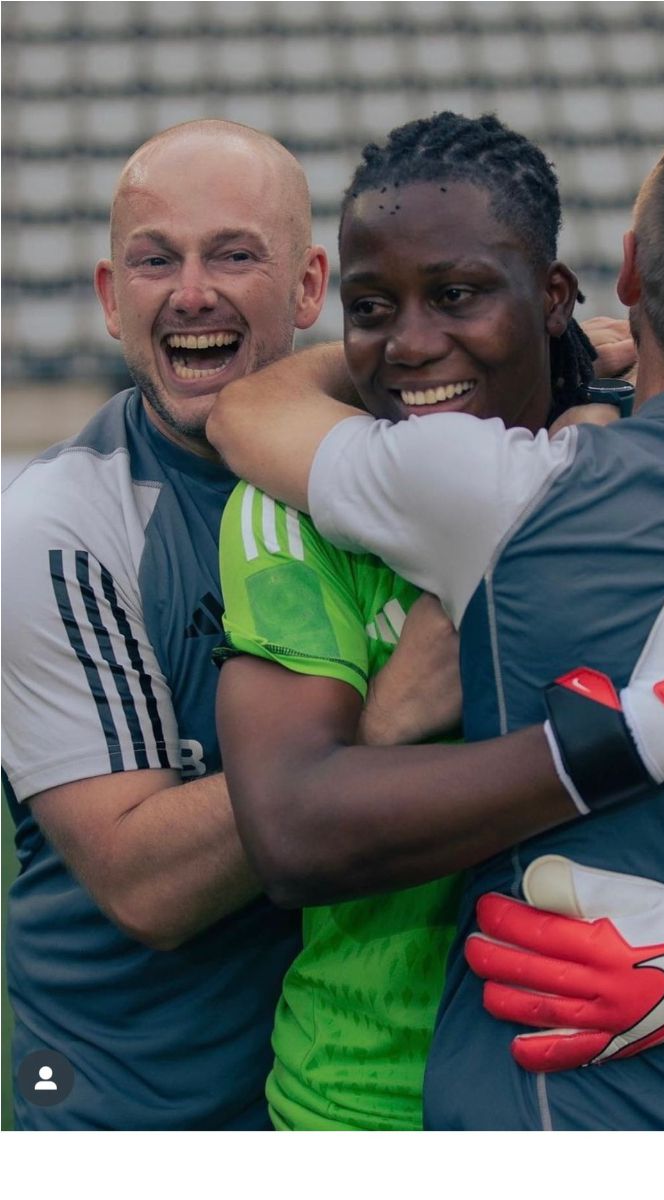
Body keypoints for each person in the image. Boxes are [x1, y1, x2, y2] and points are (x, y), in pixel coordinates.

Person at [209, 109, 664, 1130]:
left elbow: (245, 411)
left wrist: (644, 733)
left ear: (627, 274)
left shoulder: (497, 491)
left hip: (530, 1121)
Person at [1, 118, 342, 1130]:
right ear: (113, 299)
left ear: (310, 285)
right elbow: (145, 883)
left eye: (235, 254)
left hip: (341, 1103)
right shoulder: (59, 528)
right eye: (156, 260)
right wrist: (384, 718)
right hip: (124, 1118)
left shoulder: (374, 472)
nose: (192, 291)